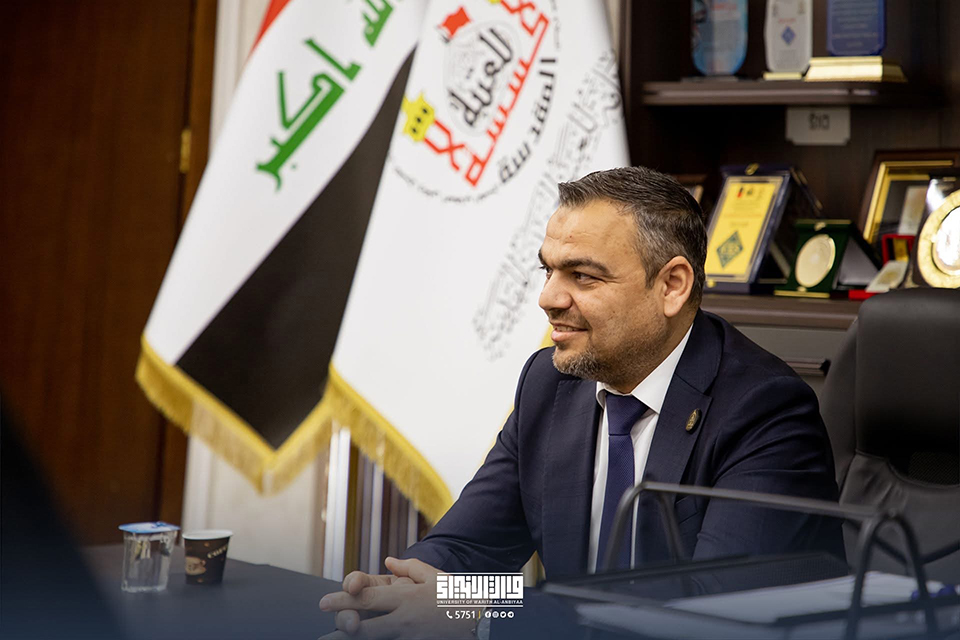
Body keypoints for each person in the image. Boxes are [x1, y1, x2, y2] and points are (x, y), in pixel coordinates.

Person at [318, 166, 843, 639]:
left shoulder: (765, 411)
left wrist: (478, 611)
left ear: (672, 285)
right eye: (547, 271)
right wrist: (399, 599)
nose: (548, 298)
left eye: (582, 276)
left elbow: (706, 609)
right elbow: (467, 547)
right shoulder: (549, 383)